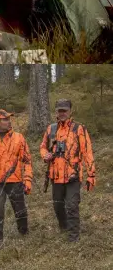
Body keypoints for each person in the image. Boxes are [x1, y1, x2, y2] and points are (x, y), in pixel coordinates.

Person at [40, 99, 95, 242]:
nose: (62, 113)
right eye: (60, 110)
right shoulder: (51, 129)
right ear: (56, 112)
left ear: (70, 111)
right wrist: (45, 155)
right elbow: (43, 147)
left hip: (73, 175)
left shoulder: (79, 129)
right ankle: (64, 227)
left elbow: (87, 152)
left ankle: (73, 236)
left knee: (72, 205)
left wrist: (91, 174)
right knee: (58, 206)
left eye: (65, 110)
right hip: (55, 175)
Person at [0, 109, 32, 243]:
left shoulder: (19, 137)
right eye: (5, 119)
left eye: (9, 118)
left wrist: (27, 180)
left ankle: (24, 233)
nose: (8, 121)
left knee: (20, 210)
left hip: (15, 180)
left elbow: (27, 160)